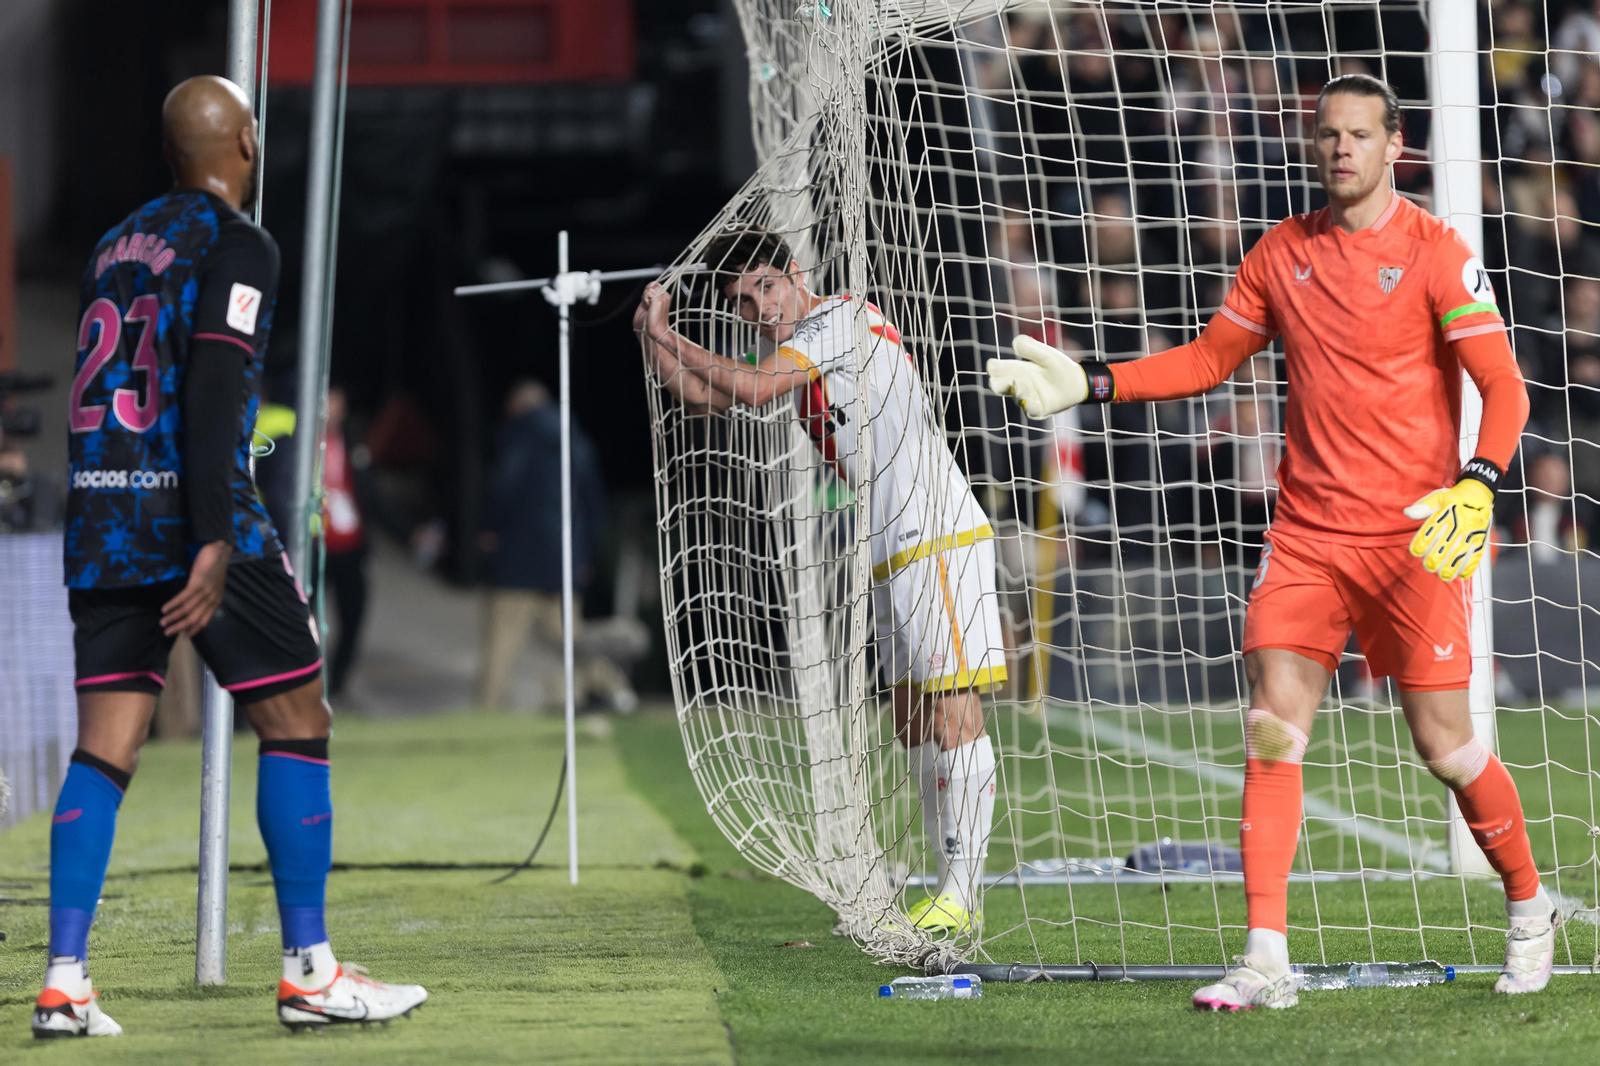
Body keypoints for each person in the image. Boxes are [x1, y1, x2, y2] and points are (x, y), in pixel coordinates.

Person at [988, 74, 1547, 1008]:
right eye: (1328, 134)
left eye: (1359, 135)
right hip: (1307, 539)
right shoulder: (1282, 252)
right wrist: (1093, 381)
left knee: (1447, 749)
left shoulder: (1439, 255)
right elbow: (1211, 358)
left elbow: (1507, 387)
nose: (1341, 148)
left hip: (1415, 539)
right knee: (1271, 730)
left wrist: (1479, 482)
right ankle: (1265, 955)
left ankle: (1529, 910)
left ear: (1394, 146)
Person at [38, 75, 425, 1038]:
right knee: (298, 717)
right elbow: (214, 390)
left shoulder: (110, 245)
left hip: (104, 519)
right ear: (246, 142)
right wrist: (213, 536)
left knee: (104, 748)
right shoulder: (238, 242)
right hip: (197, 518)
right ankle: (310, 973)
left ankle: (64, 981)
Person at [635, 227, 1008, 935]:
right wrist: (653, 338)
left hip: (937, 531)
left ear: (796, 275)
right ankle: (944, 882)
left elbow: (750, 390)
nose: (761, 309)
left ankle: (961, 895)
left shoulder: (841, 317)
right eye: (744, 303)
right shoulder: (798, 352)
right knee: (911, 721)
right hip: (890, 549)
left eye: (767, 287)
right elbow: (701, 396)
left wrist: (669, 335)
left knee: (951, 713)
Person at [475, 380, 637, 712]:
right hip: (564, 560)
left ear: (517, 407)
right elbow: (593, 506)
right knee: (571, 640)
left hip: (518, 561)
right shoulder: (578, 442)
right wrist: (586, 556)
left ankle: (488, 708)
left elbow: (504, 487)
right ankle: (615, 688)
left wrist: (489, 527)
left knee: (502, 642)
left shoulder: (519, 438)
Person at [319, 385, 369, 698]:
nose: (331, 412)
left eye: (336, 405)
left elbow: (371, 494)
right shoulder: (300, 442)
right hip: (314, 545)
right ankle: (304, 680)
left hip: (350, 547)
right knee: (305, 616)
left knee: (352, 616)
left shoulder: (352, 442)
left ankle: (336, 685)